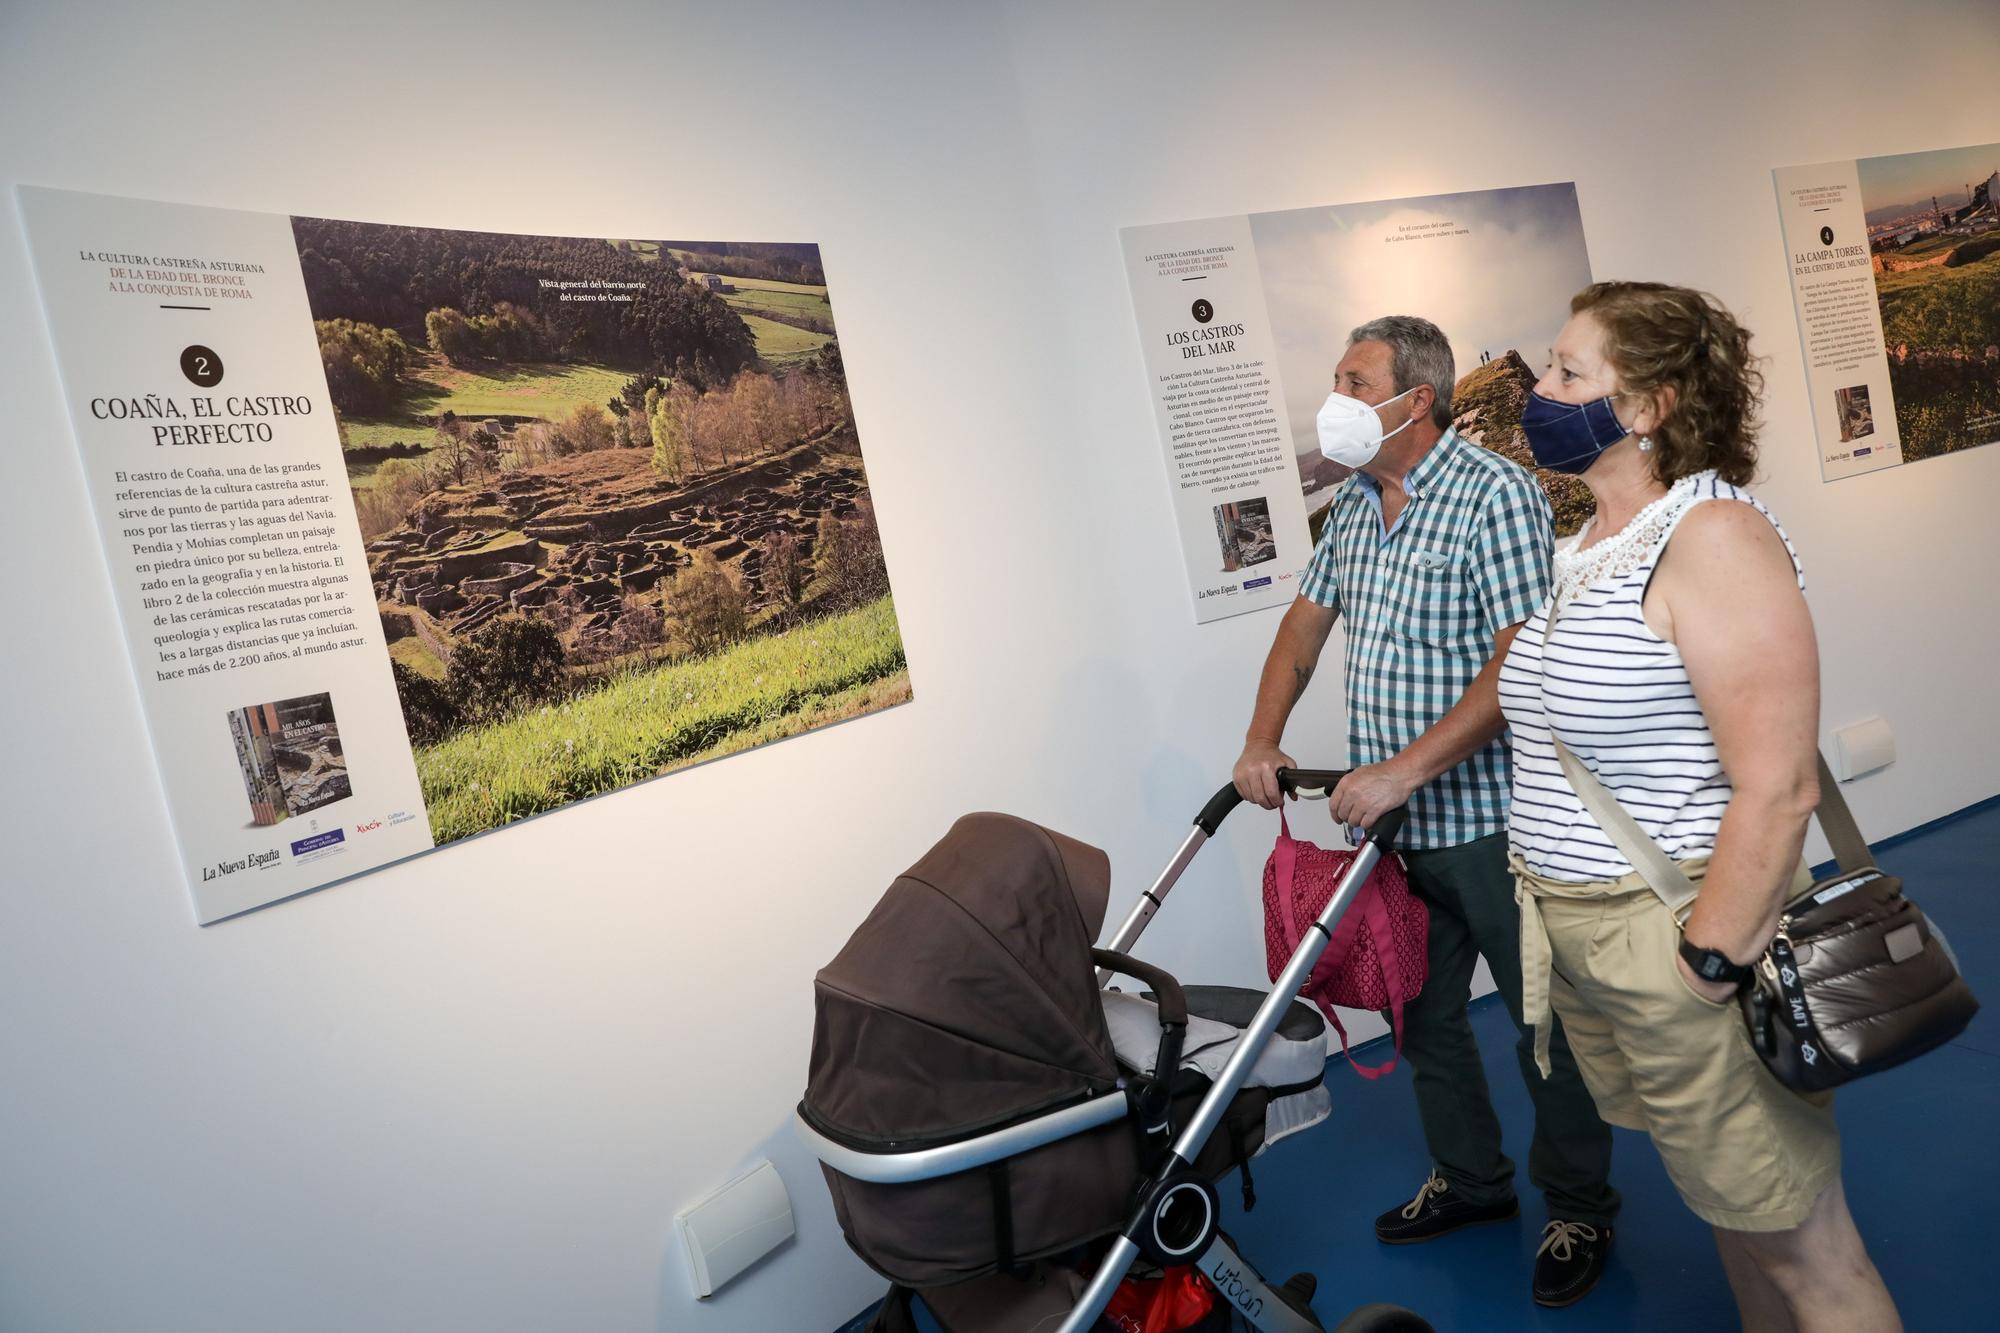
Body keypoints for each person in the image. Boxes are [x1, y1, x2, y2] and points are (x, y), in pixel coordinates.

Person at [1499, 281, 1902, 1330]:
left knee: (1806, 1246)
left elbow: (1777, 785)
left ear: (1647, 408)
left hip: (1678, 931)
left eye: (1565, 372)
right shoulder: (1585, 543)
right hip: (1586, 935)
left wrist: (1709, 964)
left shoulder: (1710, 535)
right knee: (1730, 1209)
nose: (1536, 392)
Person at [1234, 315, 1620, 1308]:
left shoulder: (1490, 494)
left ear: (1414, 399)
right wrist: (1260, 738)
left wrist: (1404, 769)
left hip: (1494, 822)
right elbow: (1299, 633)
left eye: (1350, 380)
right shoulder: (1356, 510)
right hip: (1396, 838)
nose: (1334, 397)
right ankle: (1473, 1179)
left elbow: (1515, 664)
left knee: (1540, 1022)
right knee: (1428, 1020)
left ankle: (1579, 1202)